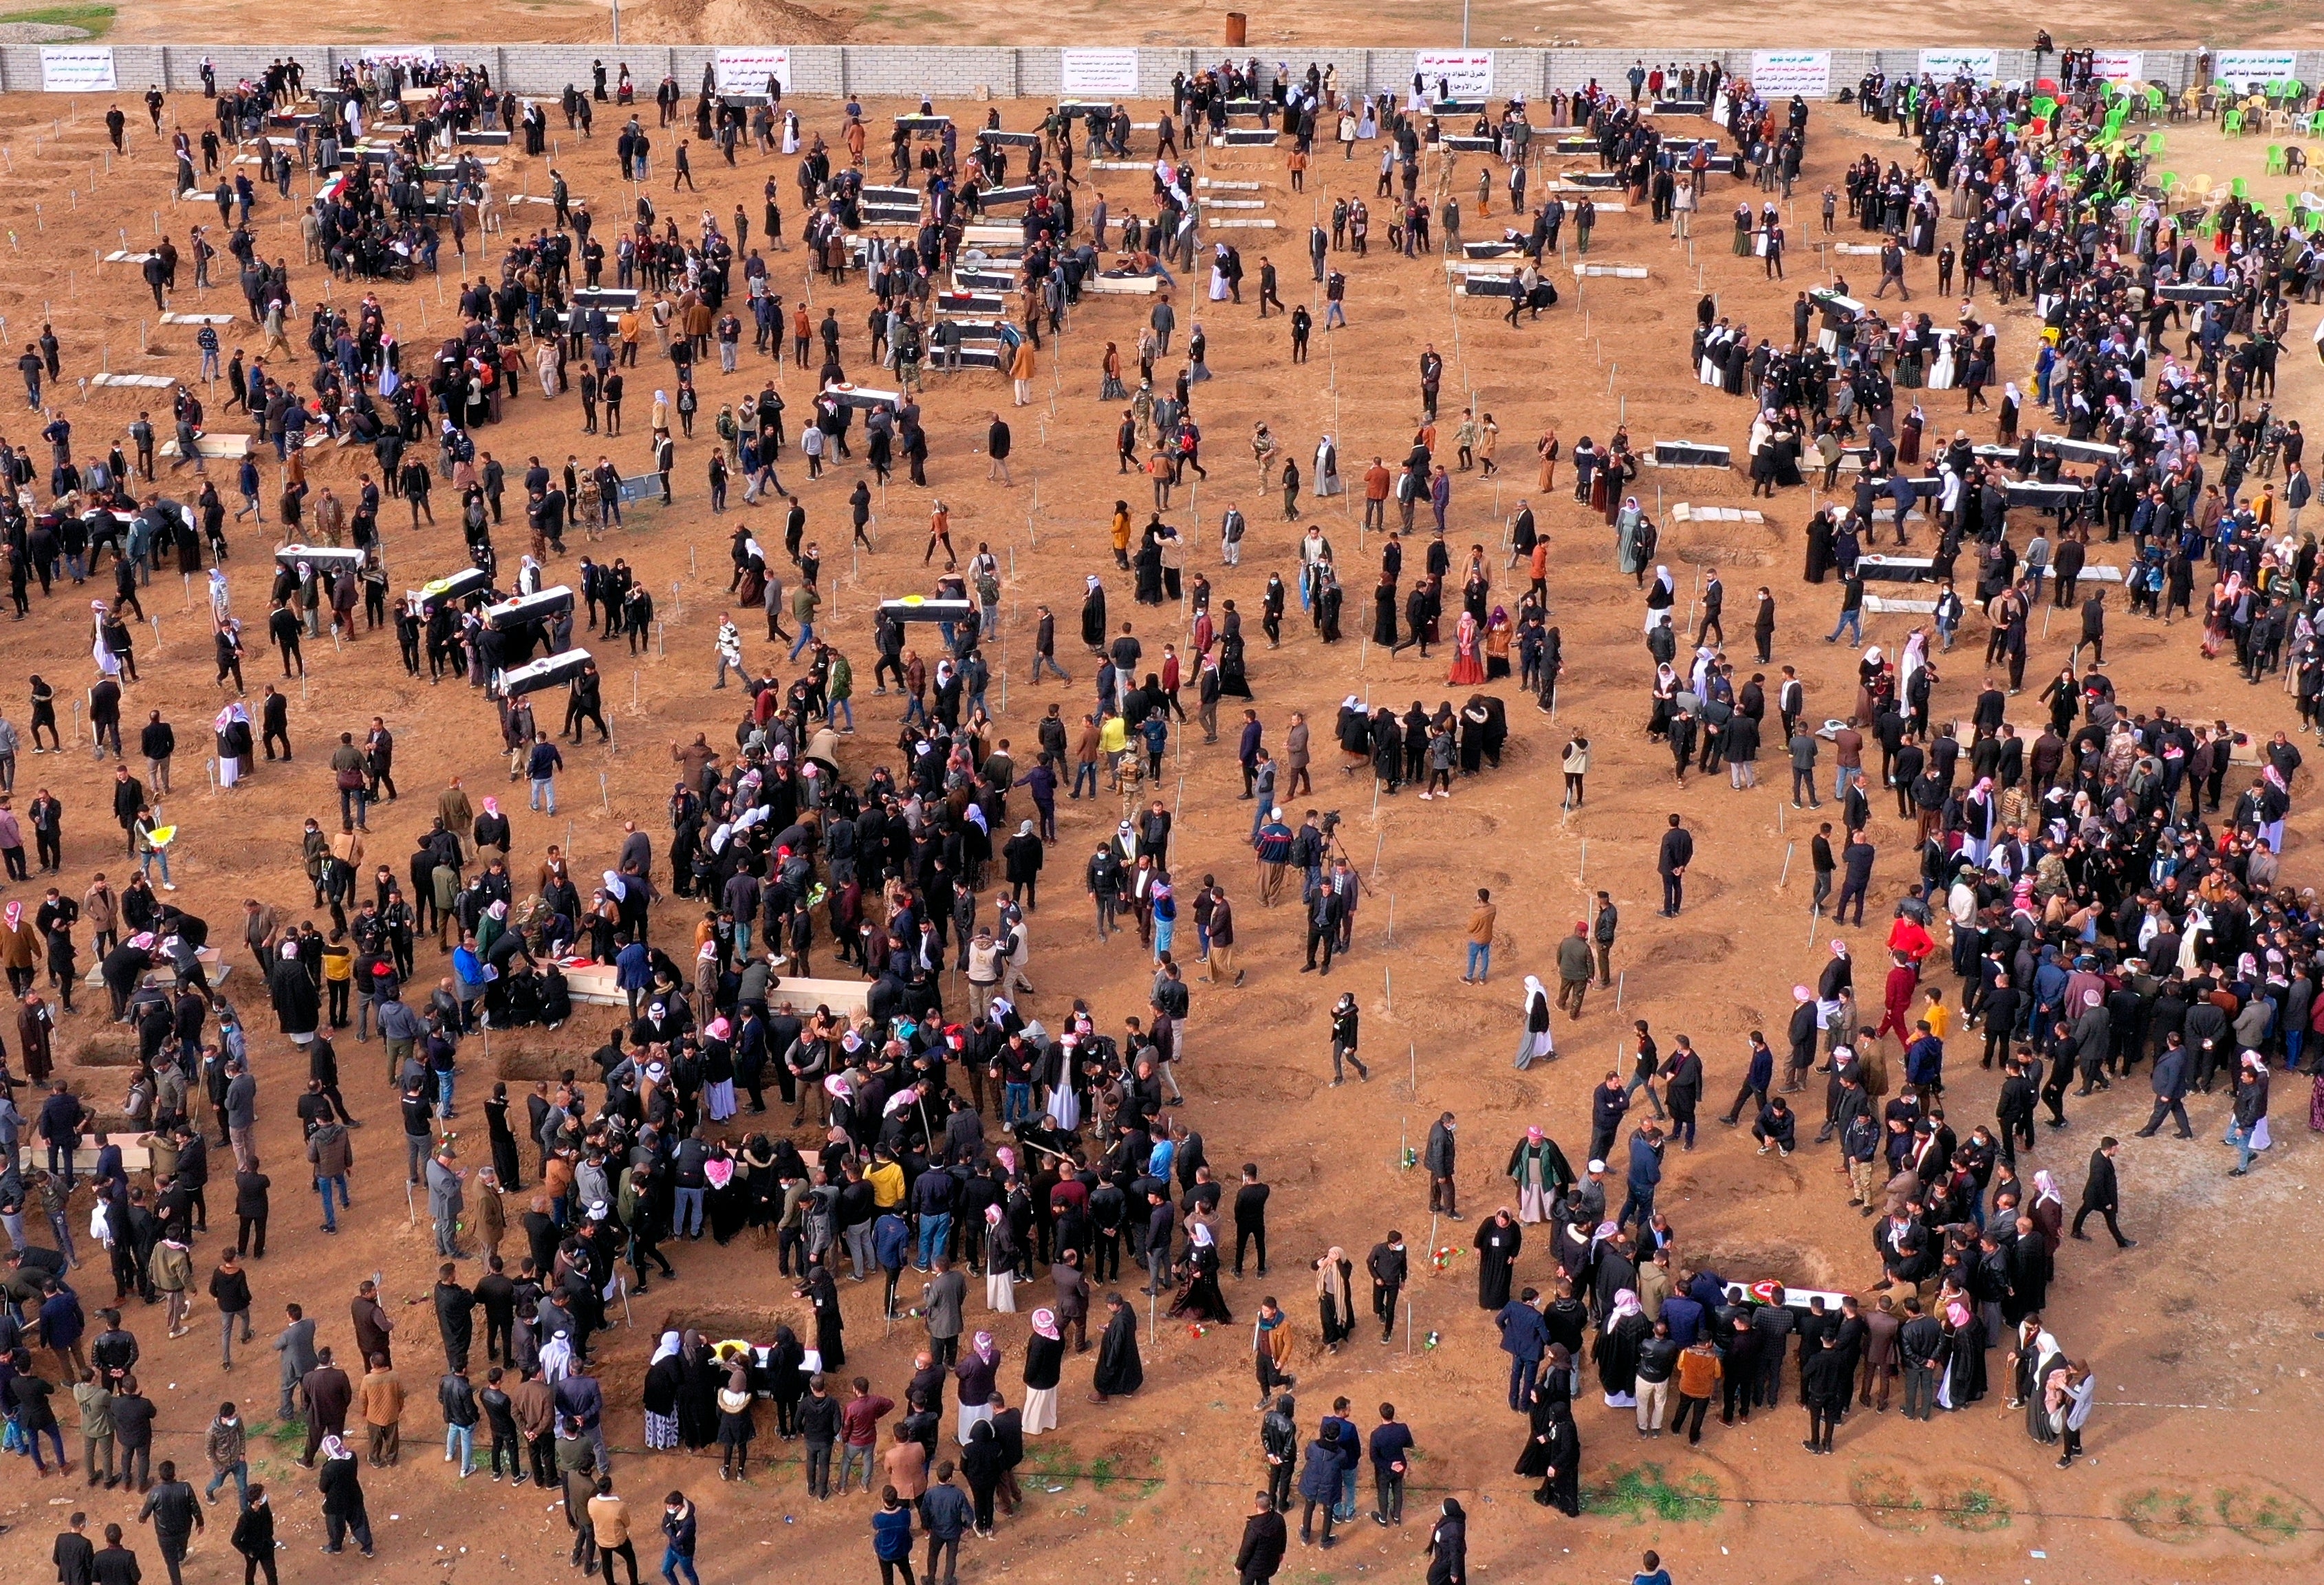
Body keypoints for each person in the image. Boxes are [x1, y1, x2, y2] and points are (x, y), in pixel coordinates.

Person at [134, 1459, 203, 1585]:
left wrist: (142, 1519)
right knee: (182, 1545)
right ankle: (182, 1557)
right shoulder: (185, 1487)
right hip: (184, 1529)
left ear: (160, 1476)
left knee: (171, 1562)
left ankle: (177, 1582)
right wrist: (200, 1522)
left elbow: (145, 1513)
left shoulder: (155, 1492)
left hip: (165, 1534)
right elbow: (195, 1507)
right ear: (174, 1474)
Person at [2070, 1138, 2134, 1248]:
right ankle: (2122, 1242)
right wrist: (2107, 1203)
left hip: (2092, 1195)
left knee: (2084, 1211)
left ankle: (2076, 1231)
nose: (2117, 1151)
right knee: (2111, 1219)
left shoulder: (2098, 1153)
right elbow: (2098, 1185)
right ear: (2110, 1149)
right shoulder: (2100, 1166)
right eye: (2116, 1148)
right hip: (2101, 1197)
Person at [1235, 1490, 1288, 1585]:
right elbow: (1283, 1538)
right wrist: (1281, 1552)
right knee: (1264, 1582)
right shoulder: (1279, 1519)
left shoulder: (1254, 1527)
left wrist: (1238, 1566)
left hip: (1251, 1568)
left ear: (1256, 1505)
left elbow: (1246, 1549)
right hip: (1269, 1564)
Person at [230, 1487, 277, 1585]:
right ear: (256, 1502)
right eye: (262, 1495)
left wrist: (269, 1535)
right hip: (253, 1550)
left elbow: (269, 1519)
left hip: (266, 1546)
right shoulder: (245, 1518)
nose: (265, 1496)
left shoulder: (264, 1506)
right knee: (251, 1573)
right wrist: (248, 1551)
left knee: (271, 1573)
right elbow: (235, 1540)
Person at [1424, 1498, 1466, 1585]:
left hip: (1446, 1559)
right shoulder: (1454, 1518)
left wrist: (1454, 1572)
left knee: (1432, 1578)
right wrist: (1437, 1529)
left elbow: (1454, 1552)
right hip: (1445, 1554)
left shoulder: (1454, 1530)